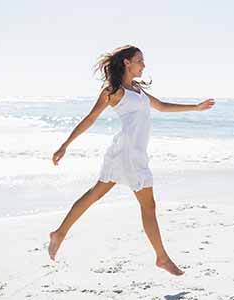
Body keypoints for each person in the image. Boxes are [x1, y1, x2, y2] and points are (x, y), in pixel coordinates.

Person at [48, 44, 215, 276]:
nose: (143, 65)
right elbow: (90, 118)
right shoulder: (113, 91)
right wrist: (65, 145)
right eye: (140, 60)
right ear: (127, 62)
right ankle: (162, 258)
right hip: (128, 153)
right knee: (148, 205)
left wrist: (195, 108)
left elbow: (162, 106)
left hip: (132, 152)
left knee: (96, 194)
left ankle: (59, 233)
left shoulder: (137, 89)